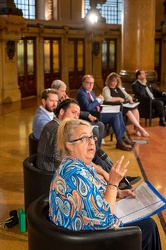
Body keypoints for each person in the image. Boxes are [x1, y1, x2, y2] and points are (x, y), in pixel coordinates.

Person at [49, 118, 161, 250]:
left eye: (91, 137)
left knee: (147, 224)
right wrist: (113, 183)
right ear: (69, 145)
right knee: (148, 227)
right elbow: (103, 220)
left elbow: (94, 190)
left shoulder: (78, 164)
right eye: (84, 138)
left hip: (85, 228)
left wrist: (119, 192)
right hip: (84, 239)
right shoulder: (75, 175)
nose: (91, 142)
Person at [37, 98, 140, 188]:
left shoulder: (60, 126)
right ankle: (111, 192)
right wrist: (97, 170)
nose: (76, 117)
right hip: (50, 173)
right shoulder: (57, 129)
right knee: (99, 178)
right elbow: (62, 160)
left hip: (59, 166)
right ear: (62, 112)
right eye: (73, 112)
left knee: (96, 159)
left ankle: (116, 181)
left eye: (78, 114)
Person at [76, 74, 135, 151]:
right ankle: (120, 141)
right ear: (83, 83)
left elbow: (95, 103)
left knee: (119, 113)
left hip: (99, 111)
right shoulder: (81, 93)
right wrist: (98, 100)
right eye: (88, 83)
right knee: (115, 116)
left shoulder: (90, 91)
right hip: (93, 115)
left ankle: (122, 137)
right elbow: (88, 107)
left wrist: (100, 101)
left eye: (92, 83)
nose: (91, 85)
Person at [51, 79, 105, 147]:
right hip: (69, 124)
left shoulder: (62, 99)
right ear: (55, 91)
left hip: (75, 119)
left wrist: (87, 115)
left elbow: (75, 110)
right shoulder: (55, 103)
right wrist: (67, 103)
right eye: (63, 91)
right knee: (95, 130)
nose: (65, 93)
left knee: (100, 125)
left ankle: (96, 151)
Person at [102, 72, 149, 137]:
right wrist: (118, 98)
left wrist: (130, 100)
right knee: (128, 111)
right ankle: (141, 128)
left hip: (124, 105)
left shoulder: (119, 88)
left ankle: (137, 129)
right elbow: (108, 99)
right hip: (115, 107)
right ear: (109, 81)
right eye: (113, 81)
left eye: (116, 81)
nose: (114, 83)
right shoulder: (106, 89)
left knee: (135, 109)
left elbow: (127, 95)